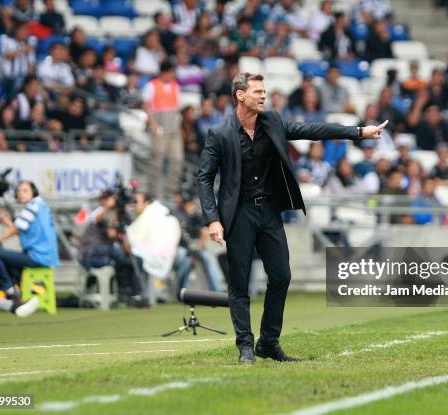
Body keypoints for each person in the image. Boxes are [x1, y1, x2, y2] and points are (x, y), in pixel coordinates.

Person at [198, 72, 388, 363]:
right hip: (239, 213)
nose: (263, 95)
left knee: (282, 276)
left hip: (270, 211)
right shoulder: (220, 133)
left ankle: (268, 342)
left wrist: (359, 132)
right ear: (240, 95)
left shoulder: (272, 121)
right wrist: (212, 219)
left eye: (264, 91)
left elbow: (313, 129)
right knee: (239, 283)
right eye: (257, 91)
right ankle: (246, 346)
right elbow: (204, 178)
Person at [0, 181, 59, 299]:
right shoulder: (41, 205)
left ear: (33, 192)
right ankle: (18, 290)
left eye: (25, 190)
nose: (20, 194)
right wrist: (5, 220)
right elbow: (21, 230)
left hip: (37, 257)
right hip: (46, 257)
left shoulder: (32, 206)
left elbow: (16, 229)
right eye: (18, 191)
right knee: (8, 261)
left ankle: (9, 289)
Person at [78, 190, 144, 304]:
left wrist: (125, 241)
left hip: (106, 252)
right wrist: (108, 208)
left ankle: (134, 295)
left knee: (135, 260)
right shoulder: (100, 212)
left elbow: (124, 244)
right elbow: (108, 231)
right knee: (117, 253)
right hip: (90, 251)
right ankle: (125, 292)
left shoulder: (116, 214)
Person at [142, 61, 183, 197]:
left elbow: (177, 108)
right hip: (159, 125)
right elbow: (146, 107)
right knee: (157, 161)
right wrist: (153, 125)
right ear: (163, 72)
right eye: (171, 72)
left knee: (177, 160)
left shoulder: (175, 86)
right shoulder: (151, 86)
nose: (172, 75)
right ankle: (153, 193)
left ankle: (171, 192)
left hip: (173, 127)